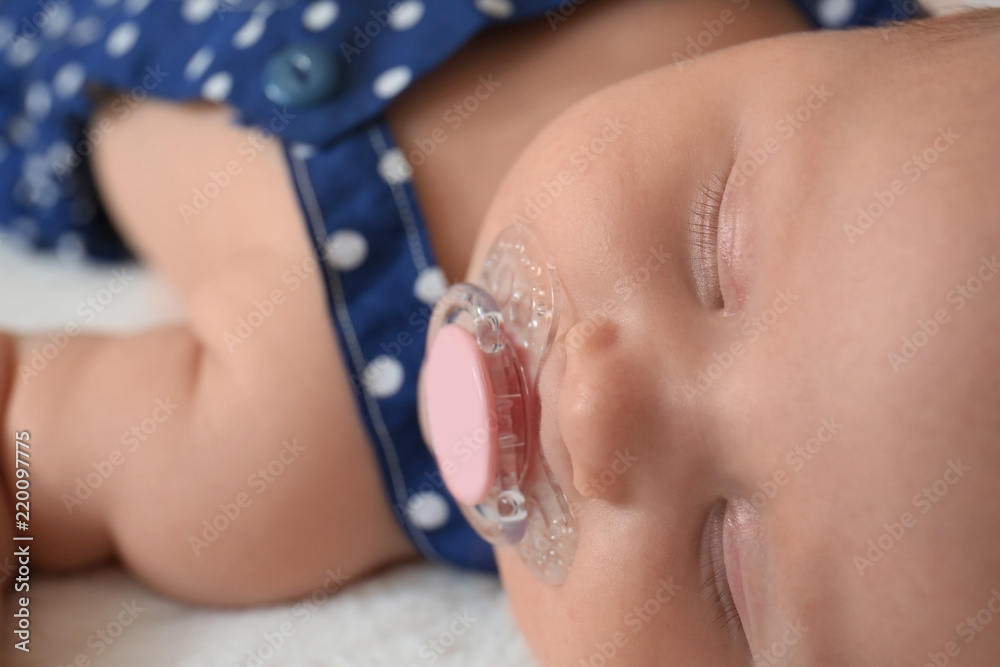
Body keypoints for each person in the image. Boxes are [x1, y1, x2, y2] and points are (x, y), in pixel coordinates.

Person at [5, 0, 997, 665]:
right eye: (718, 245)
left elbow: (26, 443)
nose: (597, 409)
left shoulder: (268, 464)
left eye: (728, 573)